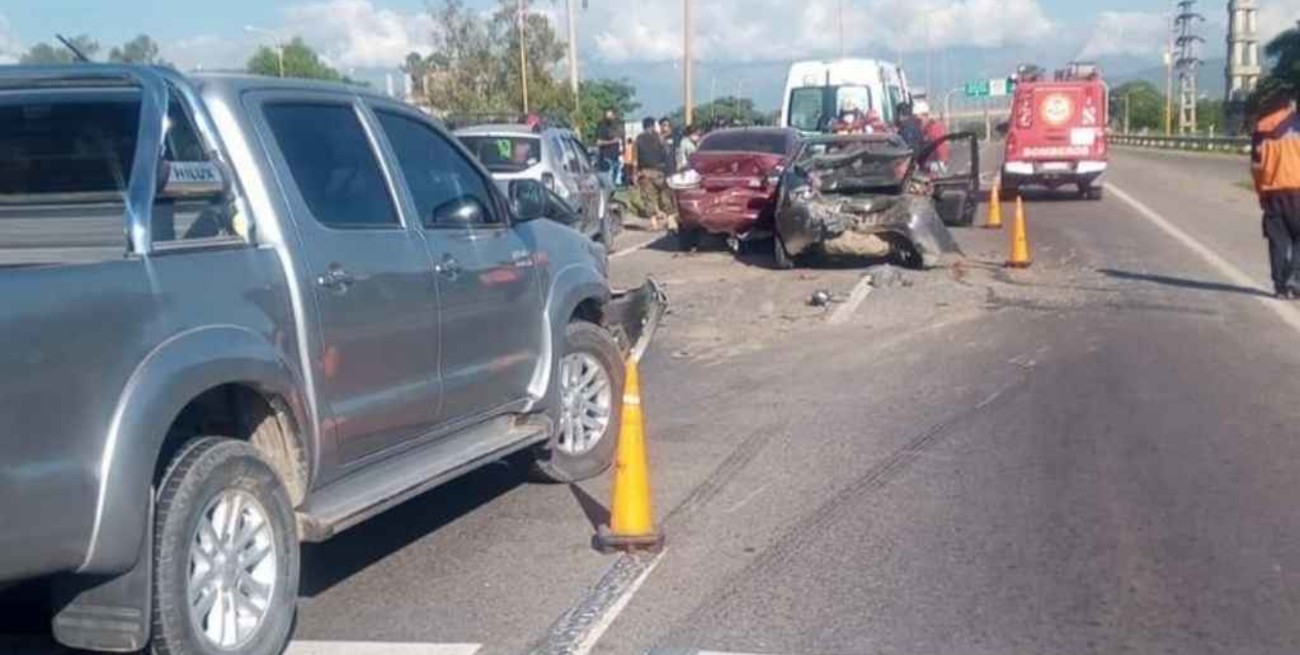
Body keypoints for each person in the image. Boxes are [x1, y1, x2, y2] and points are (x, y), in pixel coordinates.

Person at [1251, 83, 1300, 298]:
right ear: (1290, 103)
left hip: (1272, 193)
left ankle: (1280, 286)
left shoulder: (1261, 128)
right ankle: (1295, 280)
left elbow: (1255, 167)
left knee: (1278, 241)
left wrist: (1261, 192)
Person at [636, 116, 677, 232]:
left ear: (643, 127)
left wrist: (635, 174)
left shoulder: (638, 139)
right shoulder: (659, 138)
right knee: (665, 196)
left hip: (645, 172)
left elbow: (635, 159)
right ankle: (671, 221)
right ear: (653, 126)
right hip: (659, 171)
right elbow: (667, 152)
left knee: (649, 198)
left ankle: (654, 223)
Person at [595, 107, 623, 187]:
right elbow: (598, 142)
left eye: (611, 115)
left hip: (615, 157)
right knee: (608, 182)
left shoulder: (616, 127)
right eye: (608, 115)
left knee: (614, 182)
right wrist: (612, 142)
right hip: (606, 158)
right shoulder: (602, 127)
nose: (610, 118)